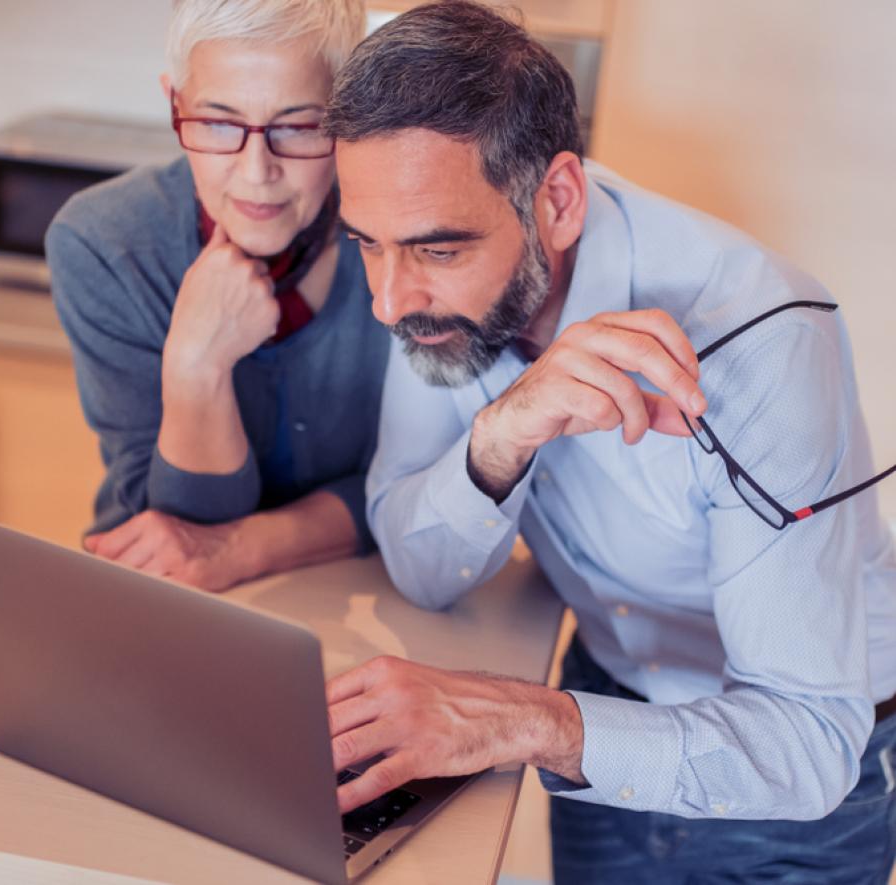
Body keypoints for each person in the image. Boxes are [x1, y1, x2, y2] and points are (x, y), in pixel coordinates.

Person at [321, 2, 896, 881]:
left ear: (556, 198)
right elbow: (420, 565)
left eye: (435, 250)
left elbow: (808, 744)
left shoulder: (762, 339)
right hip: (609, 734)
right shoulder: (431, 298)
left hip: (799, 797)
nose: (388, 302)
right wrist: (502, 430)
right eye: (367, 244)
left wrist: (524, 719)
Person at [46, 0, 388, 592]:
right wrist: (196, 364)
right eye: (219, 122)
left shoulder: (400, 238)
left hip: (368, 599)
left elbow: (415, 485)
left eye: (300, 126)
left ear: (349, 117)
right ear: (174, 105)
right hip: (167, 600)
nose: (257, 172)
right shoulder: (104, 241)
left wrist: (247, 547)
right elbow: (171, 531)